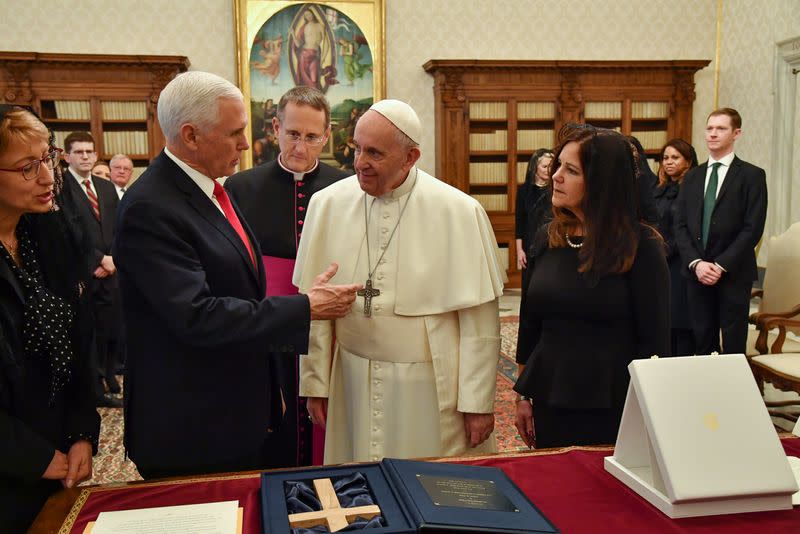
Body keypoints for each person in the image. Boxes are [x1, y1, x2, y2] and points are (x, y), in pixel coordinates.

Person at [112, 71, 360, 478]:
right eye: (235, 133)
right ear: (190, 136)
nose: (247, 144)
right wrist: (304, 307)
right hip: (192, 425)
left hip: (231, 408)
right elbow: (196, 315)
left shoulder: (208, 189)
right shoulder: (151, 207)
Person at [293, 99, 506, 464]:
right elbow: (318, 308)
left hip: (428, 387)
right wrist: (316, 385)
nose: (360, 162)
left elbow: (479, 323)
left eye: (374, 153)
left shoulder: (458, 211)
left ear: (410, 157)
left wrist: (477, 403)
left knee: (430, 486)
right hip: (353, 381)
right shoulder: (326, 204)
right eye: (357, 147)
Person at [514, 124, 669, 449]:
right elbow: (530, 322)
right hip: (551, 395)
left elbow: (654, 342)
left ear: (601, 182)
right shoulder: (548, 237)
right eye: (558, 165)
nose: (556, 175)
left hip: (612, 403)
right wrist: (523, 394)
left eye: (570, 170)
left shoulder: (642, 247)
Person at [226, 86, 348, 467]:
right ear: (276, 127)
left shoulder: (344, 186)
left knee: (327, 414)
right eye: (293, 134)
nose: (301, 146)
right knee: (274, 416)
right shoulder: (240, 187)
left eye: (312, 137)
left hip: (327, 321)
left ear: (326, 136)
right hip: (267, 316)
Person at [0, 105, 100, 532]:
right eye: (27, 167)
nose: (46, 177)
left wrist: (80, 431)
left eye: (47, 158)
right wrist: (33, 457)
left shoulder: (41, 236)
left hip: (56, 449)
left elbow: (77, 342)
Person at [675, 108, 768, 355]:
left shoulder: (752, 175)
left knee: (734, 343)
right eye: (709, 128)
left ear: (736, 133)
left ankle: (732, 393)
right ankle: (706, 391)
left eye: (721, 129)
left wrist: (720, 265)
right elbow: (680, 225)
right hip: (698, 272)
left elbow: (753, 227)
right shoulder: (692, 176)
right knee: (702, 339)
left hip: (733, 272)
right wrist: (697, 263)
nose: (713, 134)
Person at [58, 132, 122, 407]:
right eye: (79, 152)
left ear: (96, 155)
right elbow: (67, 230)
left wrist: (113, 260)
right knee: (90, 332)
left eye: (89, 152)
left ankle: (110, 376)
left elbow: (121, 227)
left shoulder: (106, 187)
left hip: (112, 270)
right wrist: (98, 260)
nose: (85, 156)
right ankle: (95, 388)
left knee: (111, 327)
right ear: (67, 156)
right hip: (85, 273)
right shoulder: (61, 187)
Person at [654, 139, 698, 356]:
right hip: (659, 261)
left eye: (675, 157)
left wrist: (665, 251)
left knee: (680, 321)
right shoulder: (659, 188)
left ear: (688, 161)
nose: (668, 162)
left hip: (681, 262)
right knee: (663, 322)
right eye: (665, 158)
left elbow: (688, 228)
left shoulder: (693, 189)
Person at [515, 148, 553, 275]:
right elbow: (520, 222)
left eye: (551, 166)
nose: (548, 170)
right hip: (529, 244)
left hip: (551, 245)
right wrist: (519, 250)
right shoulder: (523, 191)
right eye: (545, 166)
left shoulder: (556, 189)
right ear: (534, 167)